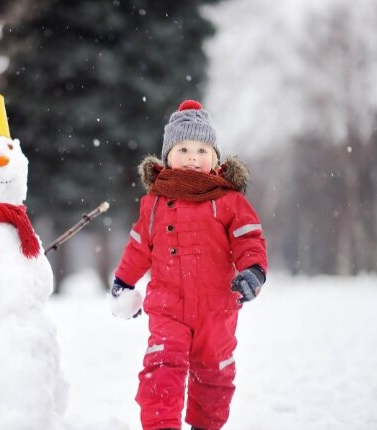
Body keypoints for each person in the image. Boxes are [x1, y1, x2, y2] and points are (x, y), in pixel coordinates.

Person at [108, 99, 268, 430]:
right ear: (167, 157)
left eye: (201, 149)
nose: (193, 157)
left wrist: (253, 271)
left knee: (215, 372)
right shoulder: (154, 202)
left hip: (217, 307)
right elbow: (139, 246)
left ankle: (204, 426)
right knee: (161, 368)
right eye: (182, 149)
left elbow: (248, 238)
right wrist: (124, 281)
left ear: (215, 158)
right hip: (168, 308)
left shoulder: (228, 200)